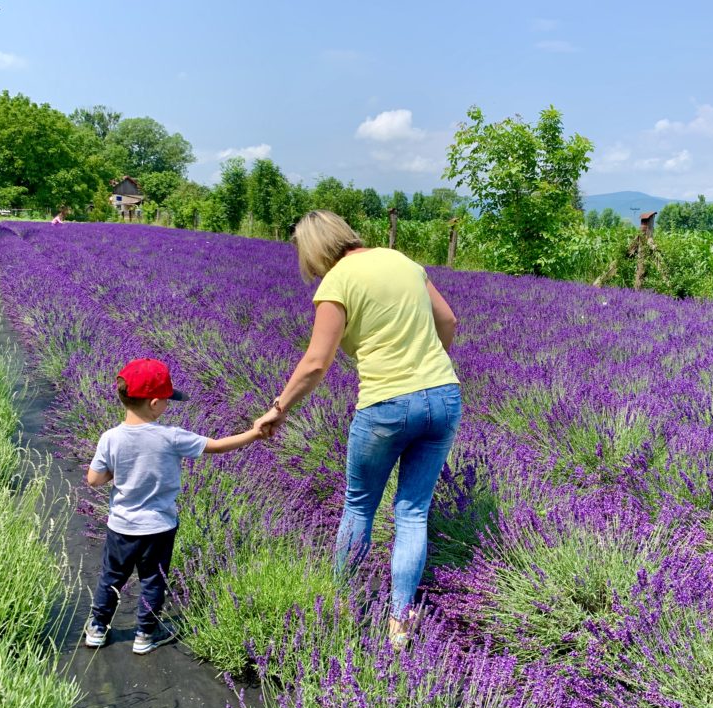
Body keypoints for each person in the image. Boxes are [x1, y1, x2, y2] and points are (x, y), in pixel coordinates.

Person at [255, 210, 461, 650]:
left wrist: (279, 408)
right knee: (412, 513)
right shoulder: (402, 260)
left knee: (360, 507)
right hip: (444, 396)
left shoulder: (338, 281)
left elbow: (315, 363)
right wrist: (425, 369)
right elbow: (449, 321)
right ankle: (400, 624)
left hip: (386, 406)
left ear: (313, 248)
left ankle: (343, 604)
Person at [84, 358, 264, 654]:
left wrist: (119, 471)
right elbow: (217, 446)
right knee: (153, 580)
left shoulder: (110, 438)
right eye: (167, 400)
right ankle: (144, 634)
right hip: (159, 527)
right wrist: (255, 433)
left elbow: (94, 479)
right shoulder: (172, 437)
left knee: (112, 577)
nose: (168, 405)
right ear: (154, 403)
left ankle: (98, 629)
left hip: (121, 526)